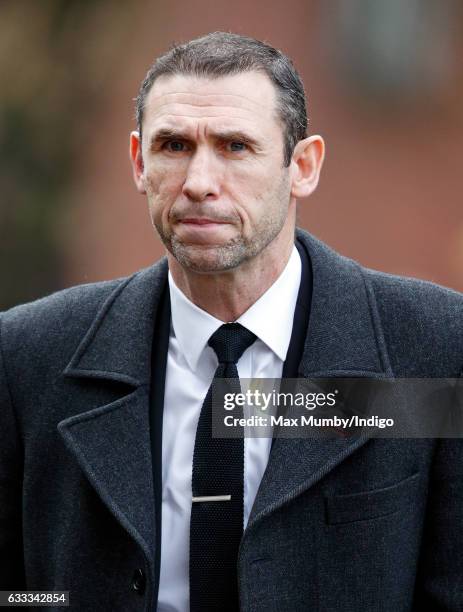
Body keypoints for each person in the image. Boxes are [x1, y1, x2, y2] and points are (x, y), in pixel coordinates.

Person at [0, 31, 462, 612]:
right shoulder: (28, 354)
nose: (198, 182)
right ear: (139, 162)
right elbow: (17, 590)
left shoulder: (436, 346)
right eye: (173, 146)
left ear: (303, 167)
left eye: (235, 146)